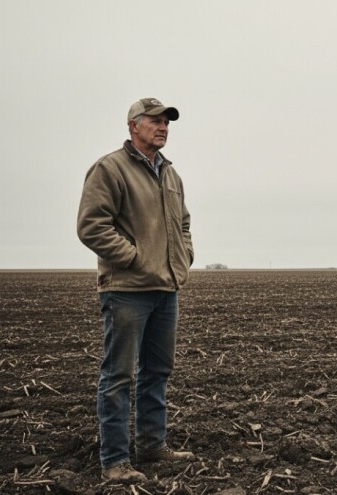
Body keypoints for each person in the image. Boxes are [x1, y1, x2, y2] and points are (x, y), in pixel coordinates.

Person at [77, 97, 195, 483]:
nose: (163, 127)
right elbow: (92, 225)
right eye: (155, 121)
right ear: (133, 125)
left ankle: (151, 445)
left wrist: (183, 257)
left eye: (166, 122)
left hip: (166, 287)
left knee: (157, 372)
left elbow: (183, 224)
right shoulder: (109, 168)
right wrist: (132, 257)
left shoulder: (171, 174)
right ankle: (114, 462)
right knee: (119, 376)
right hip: (127, 289)